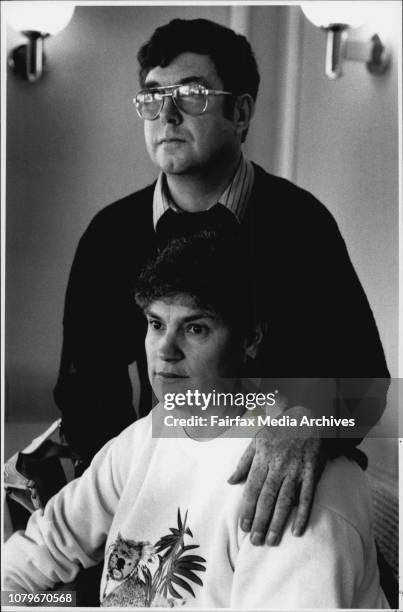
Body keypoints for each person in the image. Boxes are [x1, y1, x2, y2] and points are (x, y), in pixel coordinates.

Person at [53, 18, 389, 544]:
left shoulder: (302, 224)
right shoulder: (110, 234)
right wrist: (138, 486)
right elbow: (85, 392)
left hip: (272, 492)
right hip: (158, 485)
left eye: (191, 94)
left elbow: (367, 383)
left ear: (242, 112)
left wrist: (306, 427)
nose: (166, 113)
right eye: (152, 96)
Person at [4, 233, 388, 608]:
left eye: (195, 328)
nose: (165, 351)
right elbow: (37, 552)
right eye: (155, 324)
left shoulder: (289, 477)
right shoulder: (147, 436)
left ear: (251, 338)